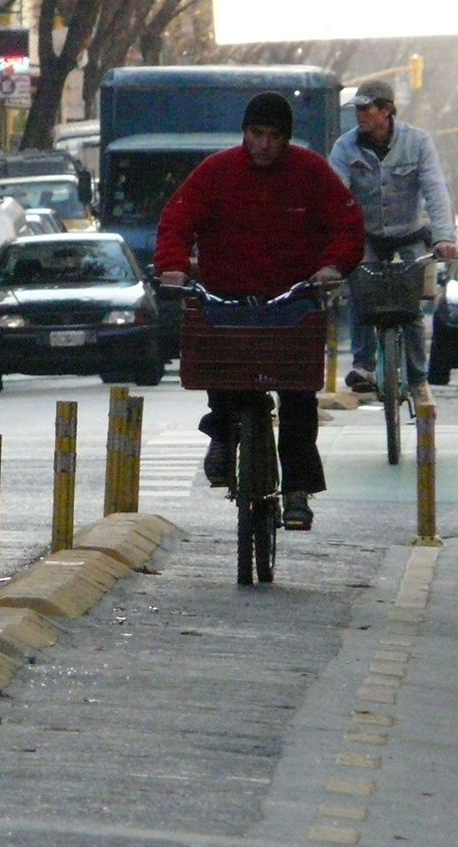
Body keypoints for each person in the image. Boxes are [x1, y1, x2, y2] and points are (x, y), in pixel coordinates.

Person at [154, 91, 365, 531]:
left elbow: (348, 225)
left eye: (273, 136)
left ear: (287, 138)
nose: (264, 145)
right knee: (223, 371)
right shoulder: (216, 172)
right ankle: (222, 433)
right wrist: (173, 269)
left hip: (291, 301)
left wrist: (332, 265)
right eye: (256, 134)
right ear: (244, 134)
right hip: (227, 299)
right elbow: (176, 220)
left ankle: (297, 490)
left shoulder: (311, 173)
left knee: (297, 397)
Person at [327, 79, 456, 394]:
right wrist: (330, 243)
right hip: (365, 235)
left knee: (409, 304)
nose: (360, 114)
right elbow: (332, 196)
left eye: (366, 107)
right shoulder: (345, 147)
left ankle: (417, 378)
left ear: (386, 110)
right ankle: (363, 366)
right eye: (357, 108)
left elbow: (435, 190)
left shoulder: (418, 143)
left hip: (408, 234)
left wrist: (443, 237)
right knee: (361, 292)